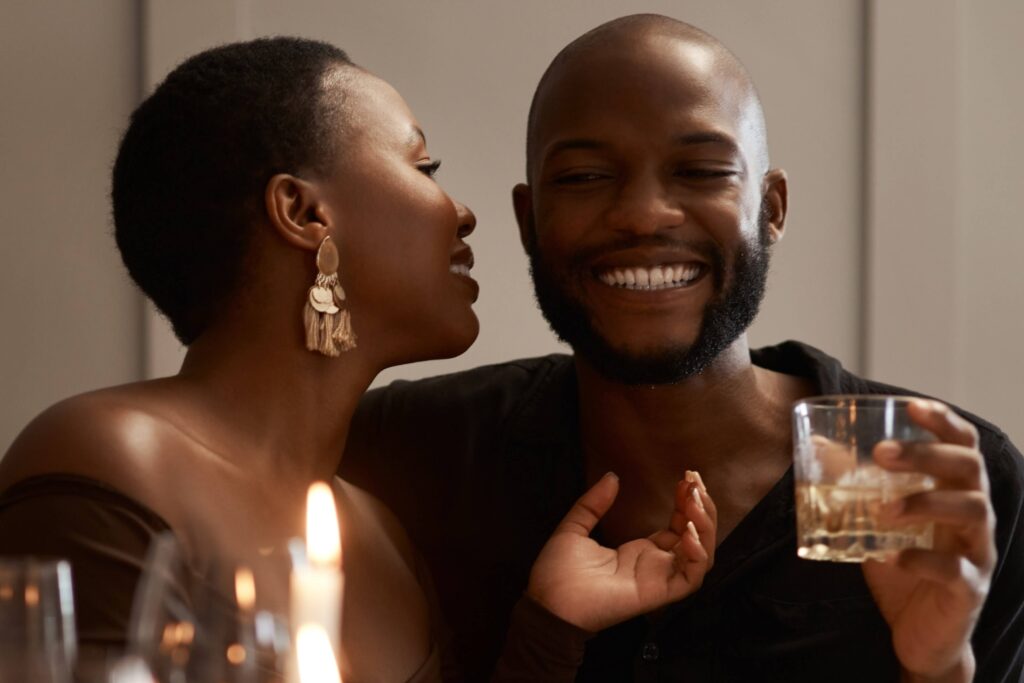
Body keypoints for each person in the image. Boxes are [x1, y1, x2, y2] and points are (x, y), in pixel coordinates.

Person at [0, 36, 714, 682]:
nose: (460, 210)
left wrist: (550, 626)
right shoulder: (106, 461)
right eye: (423, 164)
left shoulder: (379, 536)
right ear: (306, 214)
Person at [340, 14, 1024, 683]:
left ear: (771, 208)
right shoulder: (422, 454)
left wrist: (937, 668)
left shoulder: (901, 470)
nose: (643, 213)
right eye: (583, 176)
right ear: (529, 220)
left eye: (700, 171)